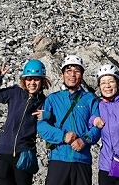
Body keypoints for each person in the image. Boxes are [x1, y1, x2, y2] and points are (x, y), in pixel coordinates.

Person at [37, 55, 102, 185]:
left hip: (82, 159)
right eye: (68, 71)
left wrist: (84, 140)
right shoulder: (53, 99)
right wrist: (63, 136)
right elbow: (41, 126)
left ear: (82, 75)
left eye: (77, 71)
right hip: (58, 159)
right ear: (62, 75)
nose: (72, 75)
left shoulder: (91, 99)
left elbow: (98, 127)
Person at [0, 59, 48, 185]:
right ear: (24, 80)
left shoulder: (44, 102)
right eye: (29, 79)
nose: (32, 83)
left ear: (42, 81)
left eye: (36, 79)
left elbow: (55, 120)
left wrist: (48, 115)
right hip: (3, 152)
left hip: (24, 154)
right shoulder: (15, 93)